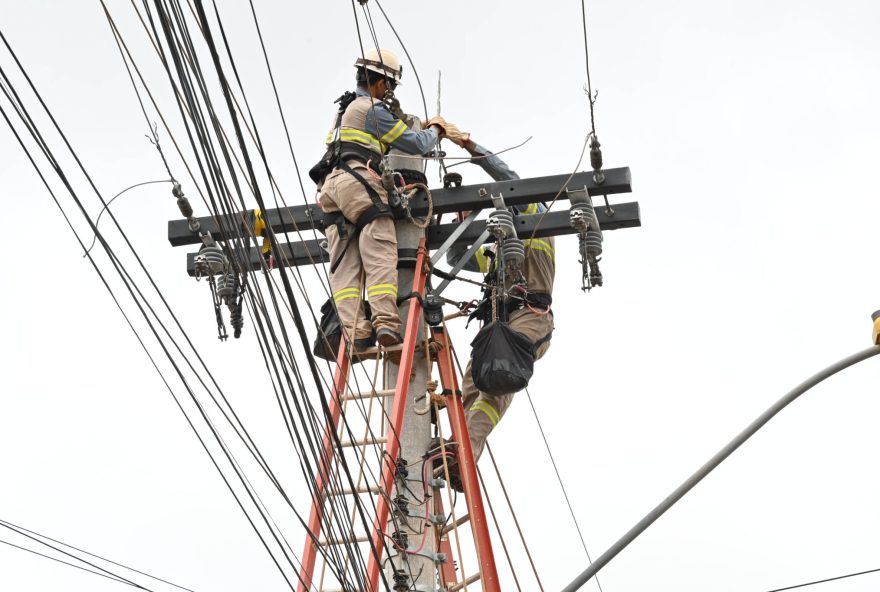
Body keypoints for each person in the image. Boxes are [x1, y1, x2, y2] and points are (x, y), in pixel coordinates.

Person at [318, 48, 466, 349]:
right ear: (383, 84)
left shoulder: (344, 111)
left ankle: (356, 332)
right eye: (391, 87)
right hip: (357, 181)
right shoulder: (372, 109)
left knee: (345, 264)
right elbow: (416, 143)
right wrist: (436, 129)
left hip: (329, 189)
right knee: (380, 248)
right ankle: (386, 323)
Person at [441, 136, 555, 487]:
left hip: (529, 318)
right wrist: (461, 222)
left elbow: (506, 178)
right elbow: (455, 259)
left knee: (496, 382)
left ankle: (463, 452)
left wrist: (470, 147)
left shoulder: (536, 219)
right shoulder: (498, 255)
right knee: (470, 389)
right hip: (498, 324)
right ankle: (457, 452)